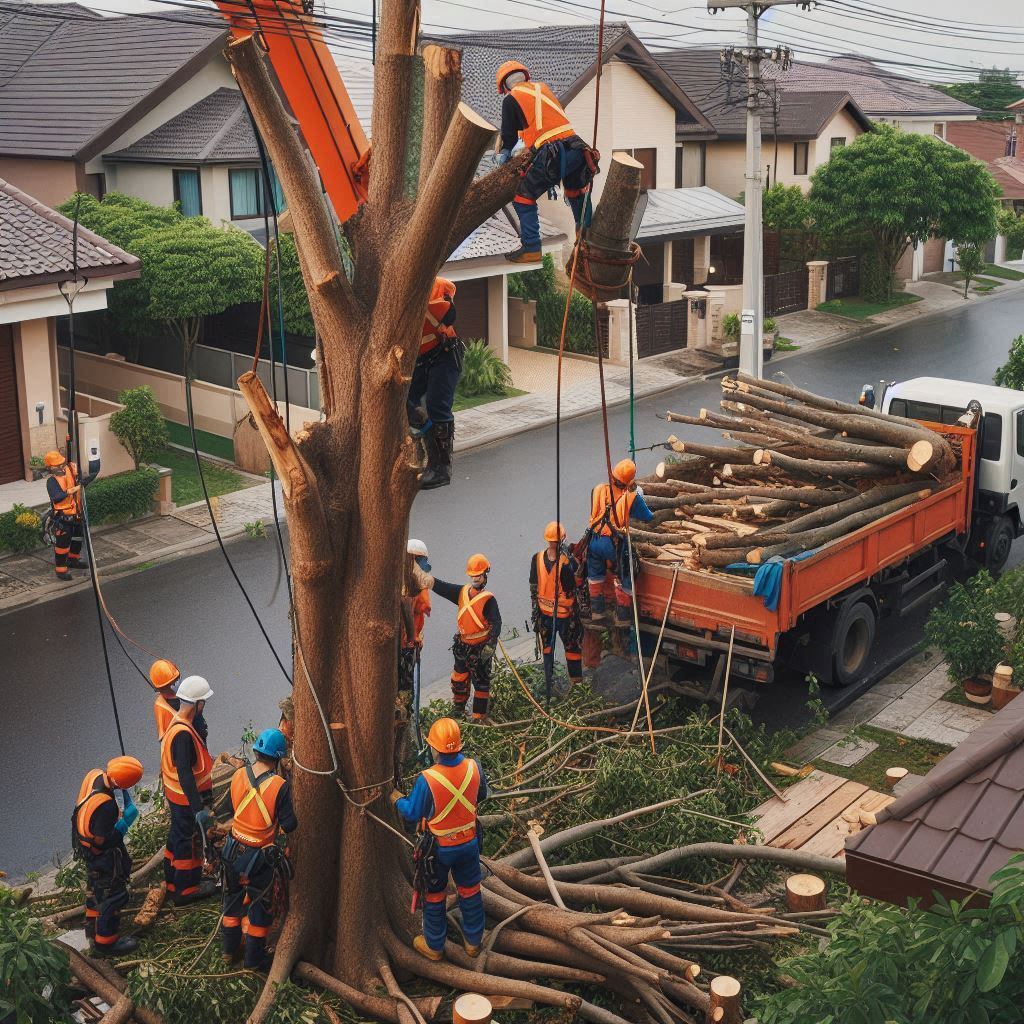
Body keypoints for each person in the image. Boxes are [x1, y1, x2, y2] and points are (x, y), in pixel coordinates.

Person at [391, 717, 487, 961]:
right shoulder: (474, 767)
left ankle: (434, 945)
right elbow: (481, 794)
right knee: (470, 889)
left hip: (439, 849)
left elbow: (413, 812)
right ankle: (473, 942)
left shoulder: (428, 779)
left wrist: (396, 799)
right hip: (469, 843)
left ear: (434, 748)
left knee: (434, 895)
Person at [494, 61, 597, 264]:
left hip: (553, 152)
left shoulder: (511, 99)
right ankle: (586, 235)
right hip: (577, 147)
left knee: (523, 196)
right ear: (525, 78)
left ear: (504, 87)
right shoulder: (543, 90)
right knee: (576, 191)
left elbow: (509, 136)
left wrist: (503, 155)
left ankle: (531, 248)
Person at [221, 729, 297, 971]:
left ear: (256, 752)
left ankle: (228, 952)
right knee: (260, 910)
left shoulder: (238, 775)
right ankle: (254, 961)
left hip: (232, 849)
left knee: (232, 904)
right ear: (277, 758)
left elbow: (233, 809)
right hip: (259, 857)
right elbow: (289, 824)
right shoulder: (279, 786)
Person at [72, 755, 144, 955]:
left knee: (95, 889)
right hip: (99, 852)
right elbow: (100, 839)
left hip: (85, 846)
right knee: (113, 893)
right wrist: (122, 826)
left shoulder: (94, 775)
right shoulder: (106, 806)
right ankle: (107, 942)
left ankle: (92, 928)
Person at [422, 555, 501, 722]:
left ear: (484, 576)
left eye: (477, 575)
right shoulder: (462, 593)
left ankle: (478, 717)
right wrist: (429, 580)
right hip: (463, 645)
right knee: (459, 678)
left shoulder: (488, 600)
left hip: (480, 647)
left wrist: (490, 645)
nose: (475, 579)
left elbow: (496, 623)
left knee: (481, 683)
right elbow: (444, 588)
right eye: (473, 575)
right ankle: (458, 709)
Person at [159, 675, 217, 904]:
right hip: (185, 800)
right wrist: (197, 807)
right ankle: (185, 890)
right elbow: (184, 772)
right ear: (198, 704)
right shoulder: (183, 734)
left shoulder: (177, 723)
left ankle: (173, 882)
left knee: (176, 838)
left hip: (176, 796)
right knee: (187, 844)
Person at [409, 278, 463, 489]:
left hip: (444, 354)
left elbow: (450, 314)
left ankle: (442, 467)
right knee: (405, 404)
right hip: (420, 359)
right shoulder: (392, 294)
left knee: (437, 405)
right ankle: (426, 438)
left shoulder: (434, 285)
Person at [587, 459, 654, 623]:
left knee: (595, 574)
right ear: (630, 481)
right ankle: (622, 615)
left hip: (593, 541)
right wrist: (636, 495)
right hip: (613, 544)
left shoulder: (598, 489)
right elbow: (648, 517)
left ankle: (597, 611)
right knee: (629, 567)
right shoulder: (631, 498)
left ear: (612, 475)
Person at [530, 521, 583, 688]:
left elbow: (533, 585)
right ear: (562, 540)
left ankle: (549, 684)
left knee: (547, 650)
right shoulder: (565, 562)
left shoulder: (536, 558)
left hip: (544, 614)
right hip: (564, 615)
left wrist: (536, 610)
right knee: (572, 649)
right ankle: (576, 683)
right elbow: (571, 586)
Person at [44, 445, 100, 580]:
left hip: (77, 514)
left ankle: (73, 559)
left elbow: (80, 481)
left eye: (61, 464)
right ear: (50, 468)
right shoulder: (51, 481)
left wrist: (86, 479)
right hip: (63, 518)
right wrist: (71, 490)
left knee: (78, 538)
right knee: (62, 544)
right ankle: (61, 569)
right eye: (57, 465)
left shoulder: (70, 471)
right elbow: (56, 497)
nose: (60, 467)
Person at [401, 540, 433, 692]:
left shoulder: (398, 579)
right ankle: (407, 712)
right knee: (407, 686)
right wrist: (414, 637)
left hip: (401, 644)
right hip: (408, 644)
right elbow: (425, 606)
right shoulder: (415, 584)